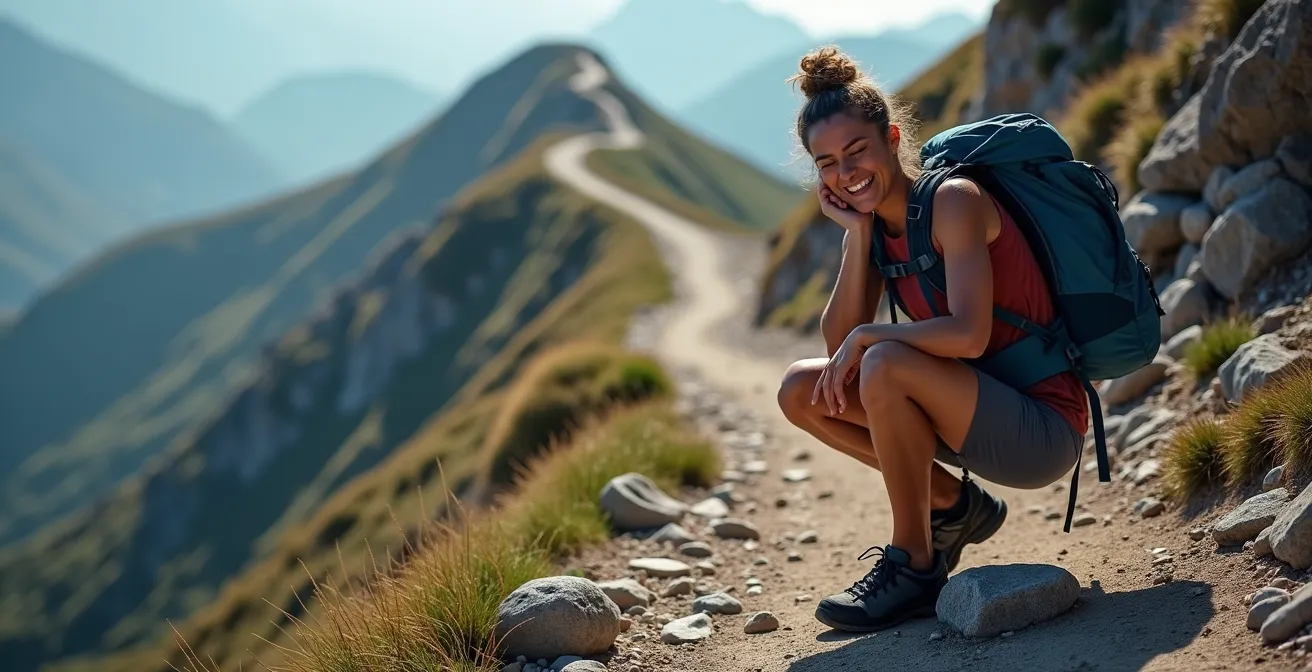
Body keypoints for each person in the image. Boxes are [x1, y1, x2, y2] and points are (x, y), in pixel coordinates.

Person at [775, 46, 1091, 633]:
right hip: (969, 412)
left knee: (886, 361)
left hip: (1039, 426)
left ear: (892, 138)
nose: (846, 173)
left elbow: (969, 336)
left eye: (856, 151)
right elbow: (838, 349)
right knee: (801, 388)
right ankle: (953, 507)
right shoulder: (874, 227)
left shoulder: (953, 201)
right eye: (826, 163)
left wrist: (872, 336)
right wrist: (858, 234)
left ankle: (914, 567)